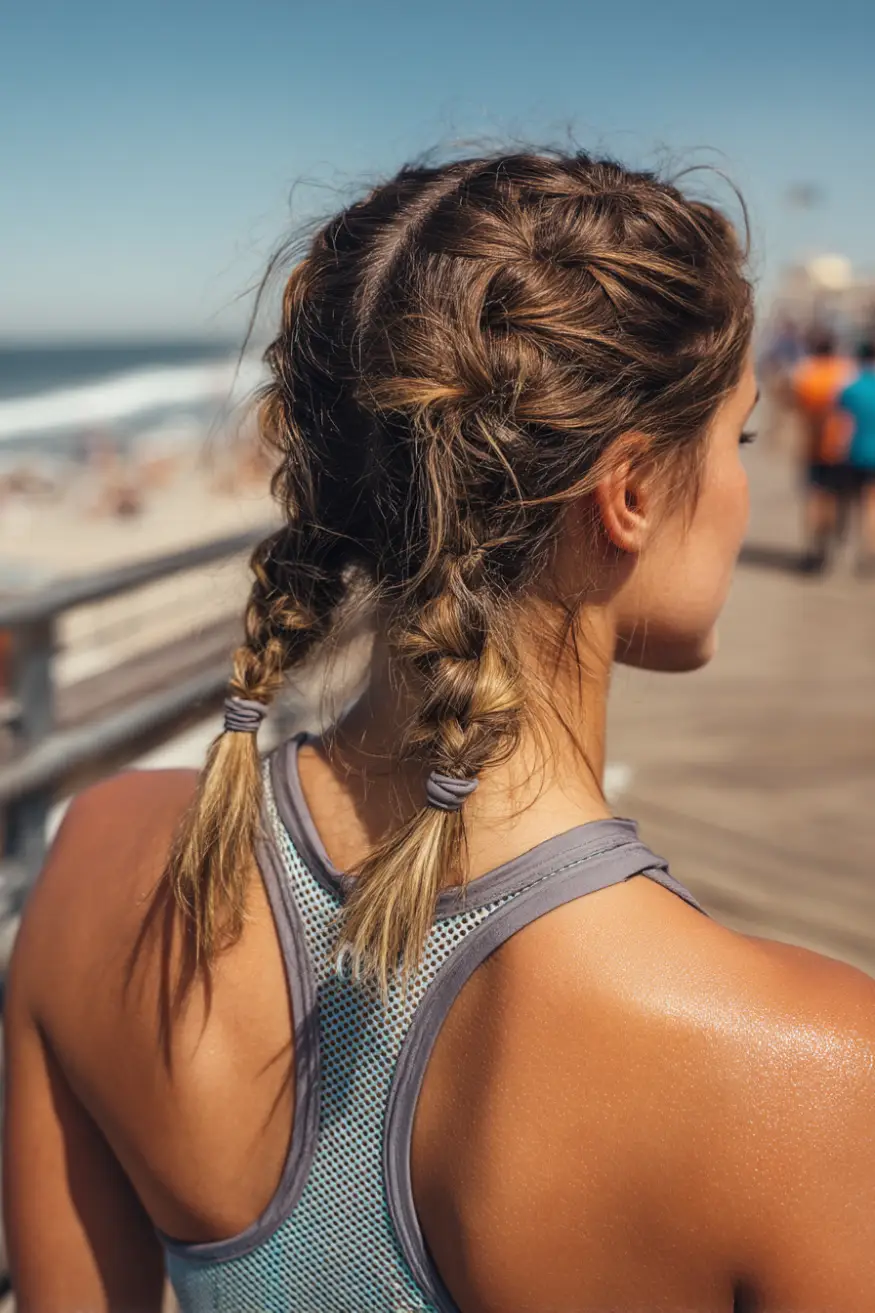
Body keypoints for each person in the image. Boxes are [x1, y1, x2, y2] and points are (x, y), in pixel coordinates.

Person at [6, 150, 875, 1313]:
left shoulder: (93, 862)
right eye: (737, 442)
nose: (736, 488)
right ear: (625, 494)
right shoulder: (812, 1078)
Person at [790, 329, 854, 571]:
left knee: (815, 497)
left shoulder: (805, 373)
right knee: (835, 497)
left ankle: (813, 547)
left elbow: (796, 404)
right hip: (841, 445)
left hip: (812, 444)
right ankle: (829, 543)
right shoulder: (845, 372)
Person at [837, 339, 875, 573]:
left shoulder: (851, 388)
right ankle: (868, 550)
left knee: (849, 502)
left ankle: (844, 542)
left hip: (854, 452)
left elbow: (841, 423)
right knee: (872, 504)